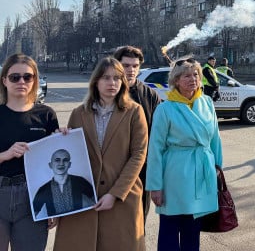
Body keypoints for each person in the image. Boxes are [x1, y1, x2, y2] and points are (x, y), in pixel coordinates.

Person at [54, 57, 147, 251]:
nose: (111, 83)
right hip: (84, 200)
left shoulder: (134, 112)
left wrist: (115, 194)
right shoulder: (79, 113)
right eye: (106, 78)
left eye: (116, 78)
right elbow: (71, 153)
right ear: (96, 81)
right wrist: (61, 138)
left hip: (122, 198)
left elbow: (138, 155)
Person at [146, 56, 224, 251]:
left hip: (202, 173)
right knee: (170, 230)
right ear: (176, 81)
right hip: (175, 175)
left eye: (196, 74)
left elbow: (215, 141)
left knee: (193, 229)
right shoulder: (165, 108)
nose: (192, 79)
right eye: (186, 76)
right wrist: (155, 186)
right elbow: (155, 149)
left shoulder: (206, 103)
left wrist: (217, 172)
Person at [0, 53, 59, 250]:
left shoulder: (46, 115)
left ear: (34, 80)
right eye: (15, 77)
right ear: (4, 80)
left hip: (33, 197)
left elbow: (55, 163)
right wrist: (5, 155)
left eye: (28, 76)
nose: (21, 81)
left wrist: (53, 205)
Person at [113, 45, 161, 222]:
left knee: (138, 219)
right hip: (112, 168)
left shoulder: (150, 95)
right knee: (113, 222)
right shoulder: (108, 92)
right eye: (126, 65)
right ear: (117, 65)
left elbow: (158, 134)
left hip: (142, 168)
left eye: (135, 66)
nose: (131, 70)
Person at [32, 149, 95, 219]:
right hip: (58, 225)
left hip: (80, 221)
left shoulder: (80, 181)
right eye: (57, 160)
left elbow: (96, 201)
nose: (61, 163)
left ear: (69, 164)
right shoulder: (43, 189)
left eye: (65, 160)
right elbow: (33, 213)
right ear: (50, 165)